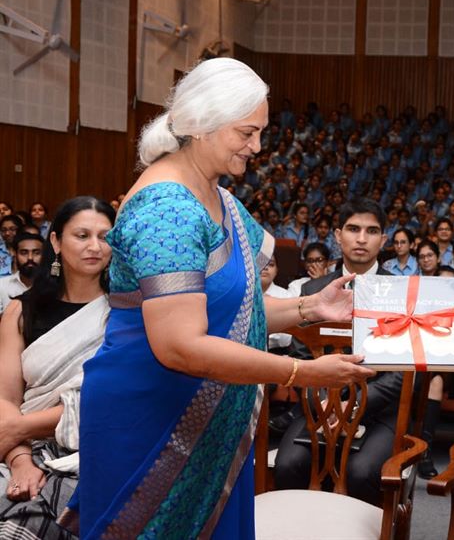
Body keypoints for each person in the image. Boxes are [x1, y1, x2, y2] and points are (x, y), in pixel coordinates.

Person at [67, 59, 373, 538]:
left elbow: (235, 312)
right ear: (200, 125)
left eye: (260, 131)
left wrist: (309, 308)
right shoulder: (167, 209)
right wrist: (302, 372)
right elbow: (181, 345)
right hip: (154, 422)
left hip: (206, 418)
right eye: (246, 132)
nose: (257, 146)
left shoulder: (220, 197)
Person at [275, 198, 403, 506]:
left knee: (362, 472)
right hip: (320, 405)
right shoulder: (311, 291)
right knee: (289, 465)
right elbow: (301, 360)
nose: (361, 239)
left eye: (371, 231)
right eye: (353, 229)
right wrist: (326, 403)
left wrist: (350, 405)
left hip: (378, 410)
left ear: (383, 240)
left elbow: (402, 375)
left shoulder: (403, 291)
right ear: (337, 235)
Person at [0, 196, 114, 539]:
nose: (95, 246)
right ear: (55, 240)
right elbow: (7, 398)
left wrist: (19, 429)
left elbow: (107, 401)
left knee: (44, 515)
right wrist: (20, 461)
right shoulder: (21, 312)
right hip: (20, 446)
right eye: (82, 235)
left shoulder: (126, 314)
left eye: (105, 237)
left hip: (95, 445)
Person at [0, 233, 43, 315]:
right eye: (24, 252)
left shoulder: (53, 286)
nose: (30, 258)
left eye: (36, 253)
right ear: (14, 254)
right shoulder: (1, 285)